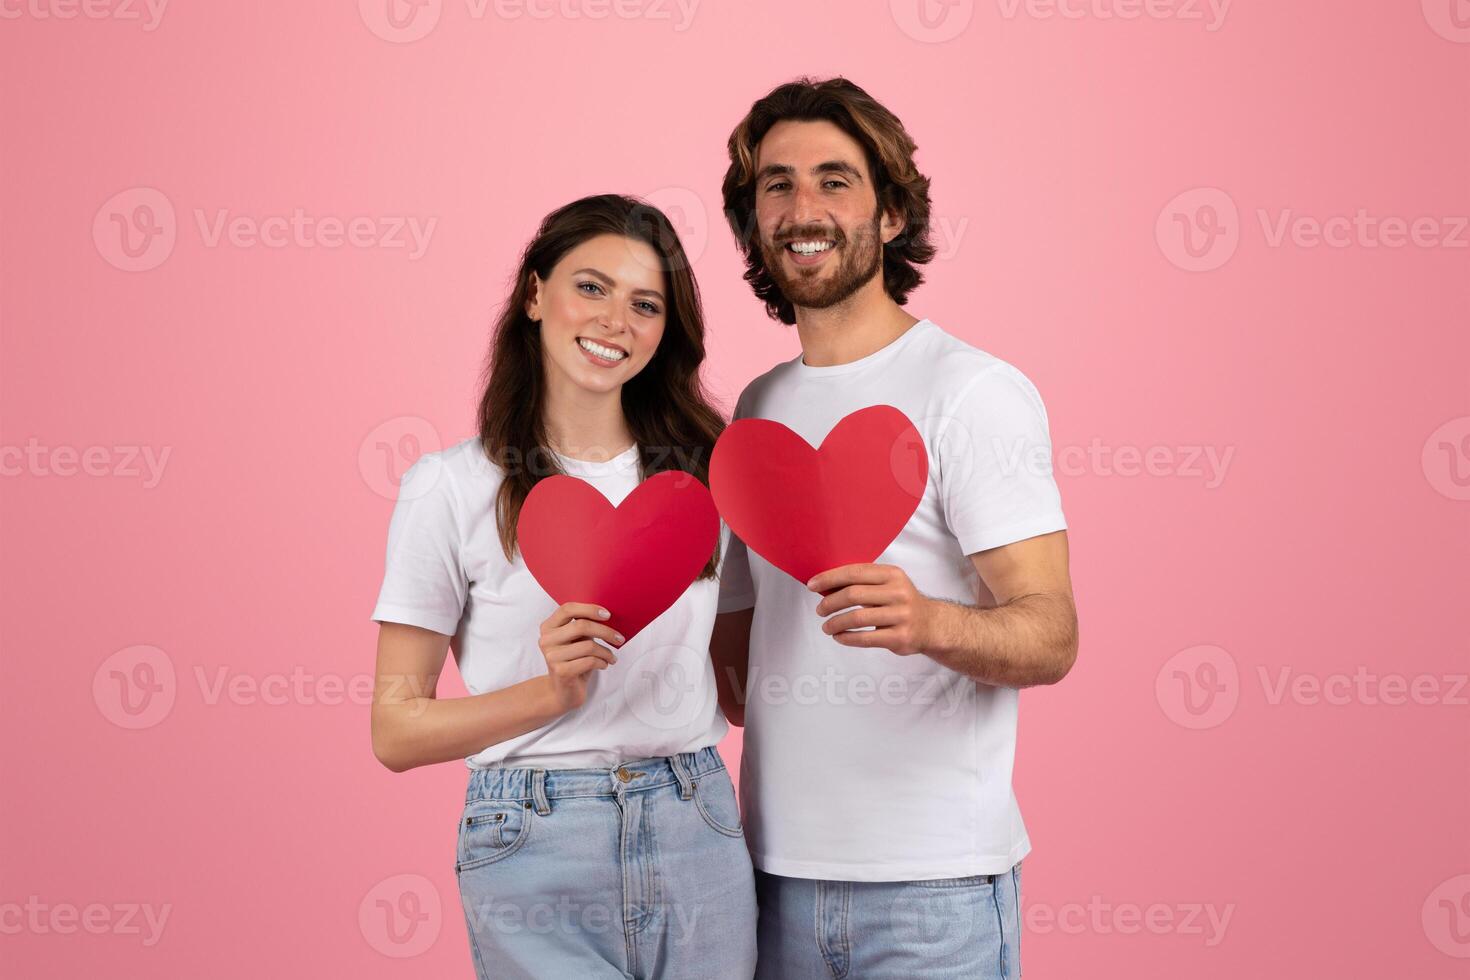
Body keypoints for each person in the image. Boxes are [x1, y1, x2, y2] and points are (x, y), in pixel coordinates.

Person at [711, 77, 1079, 980]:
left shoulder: (973, 391)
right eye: (777, 184)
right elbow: (738, 659)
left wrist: (930, 623)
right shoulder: (756, 410)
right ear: (753, 219)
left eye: (836, 180)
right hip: (771, 880)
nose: (805, 208)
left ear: (890, 215)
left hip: (936, 894)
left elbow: (1053, 632)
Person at [369, 194, 757, 979]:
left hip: (696, 823)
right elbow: (395, 730)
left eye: (645, 304)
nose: (617, 320)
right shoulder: (447, 488)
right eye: (591, 287)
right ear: (535, 293)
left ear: (666, 330)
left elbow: (740, 686)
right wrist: (548, 694)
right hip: (532, 836)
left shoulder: (711, 478)